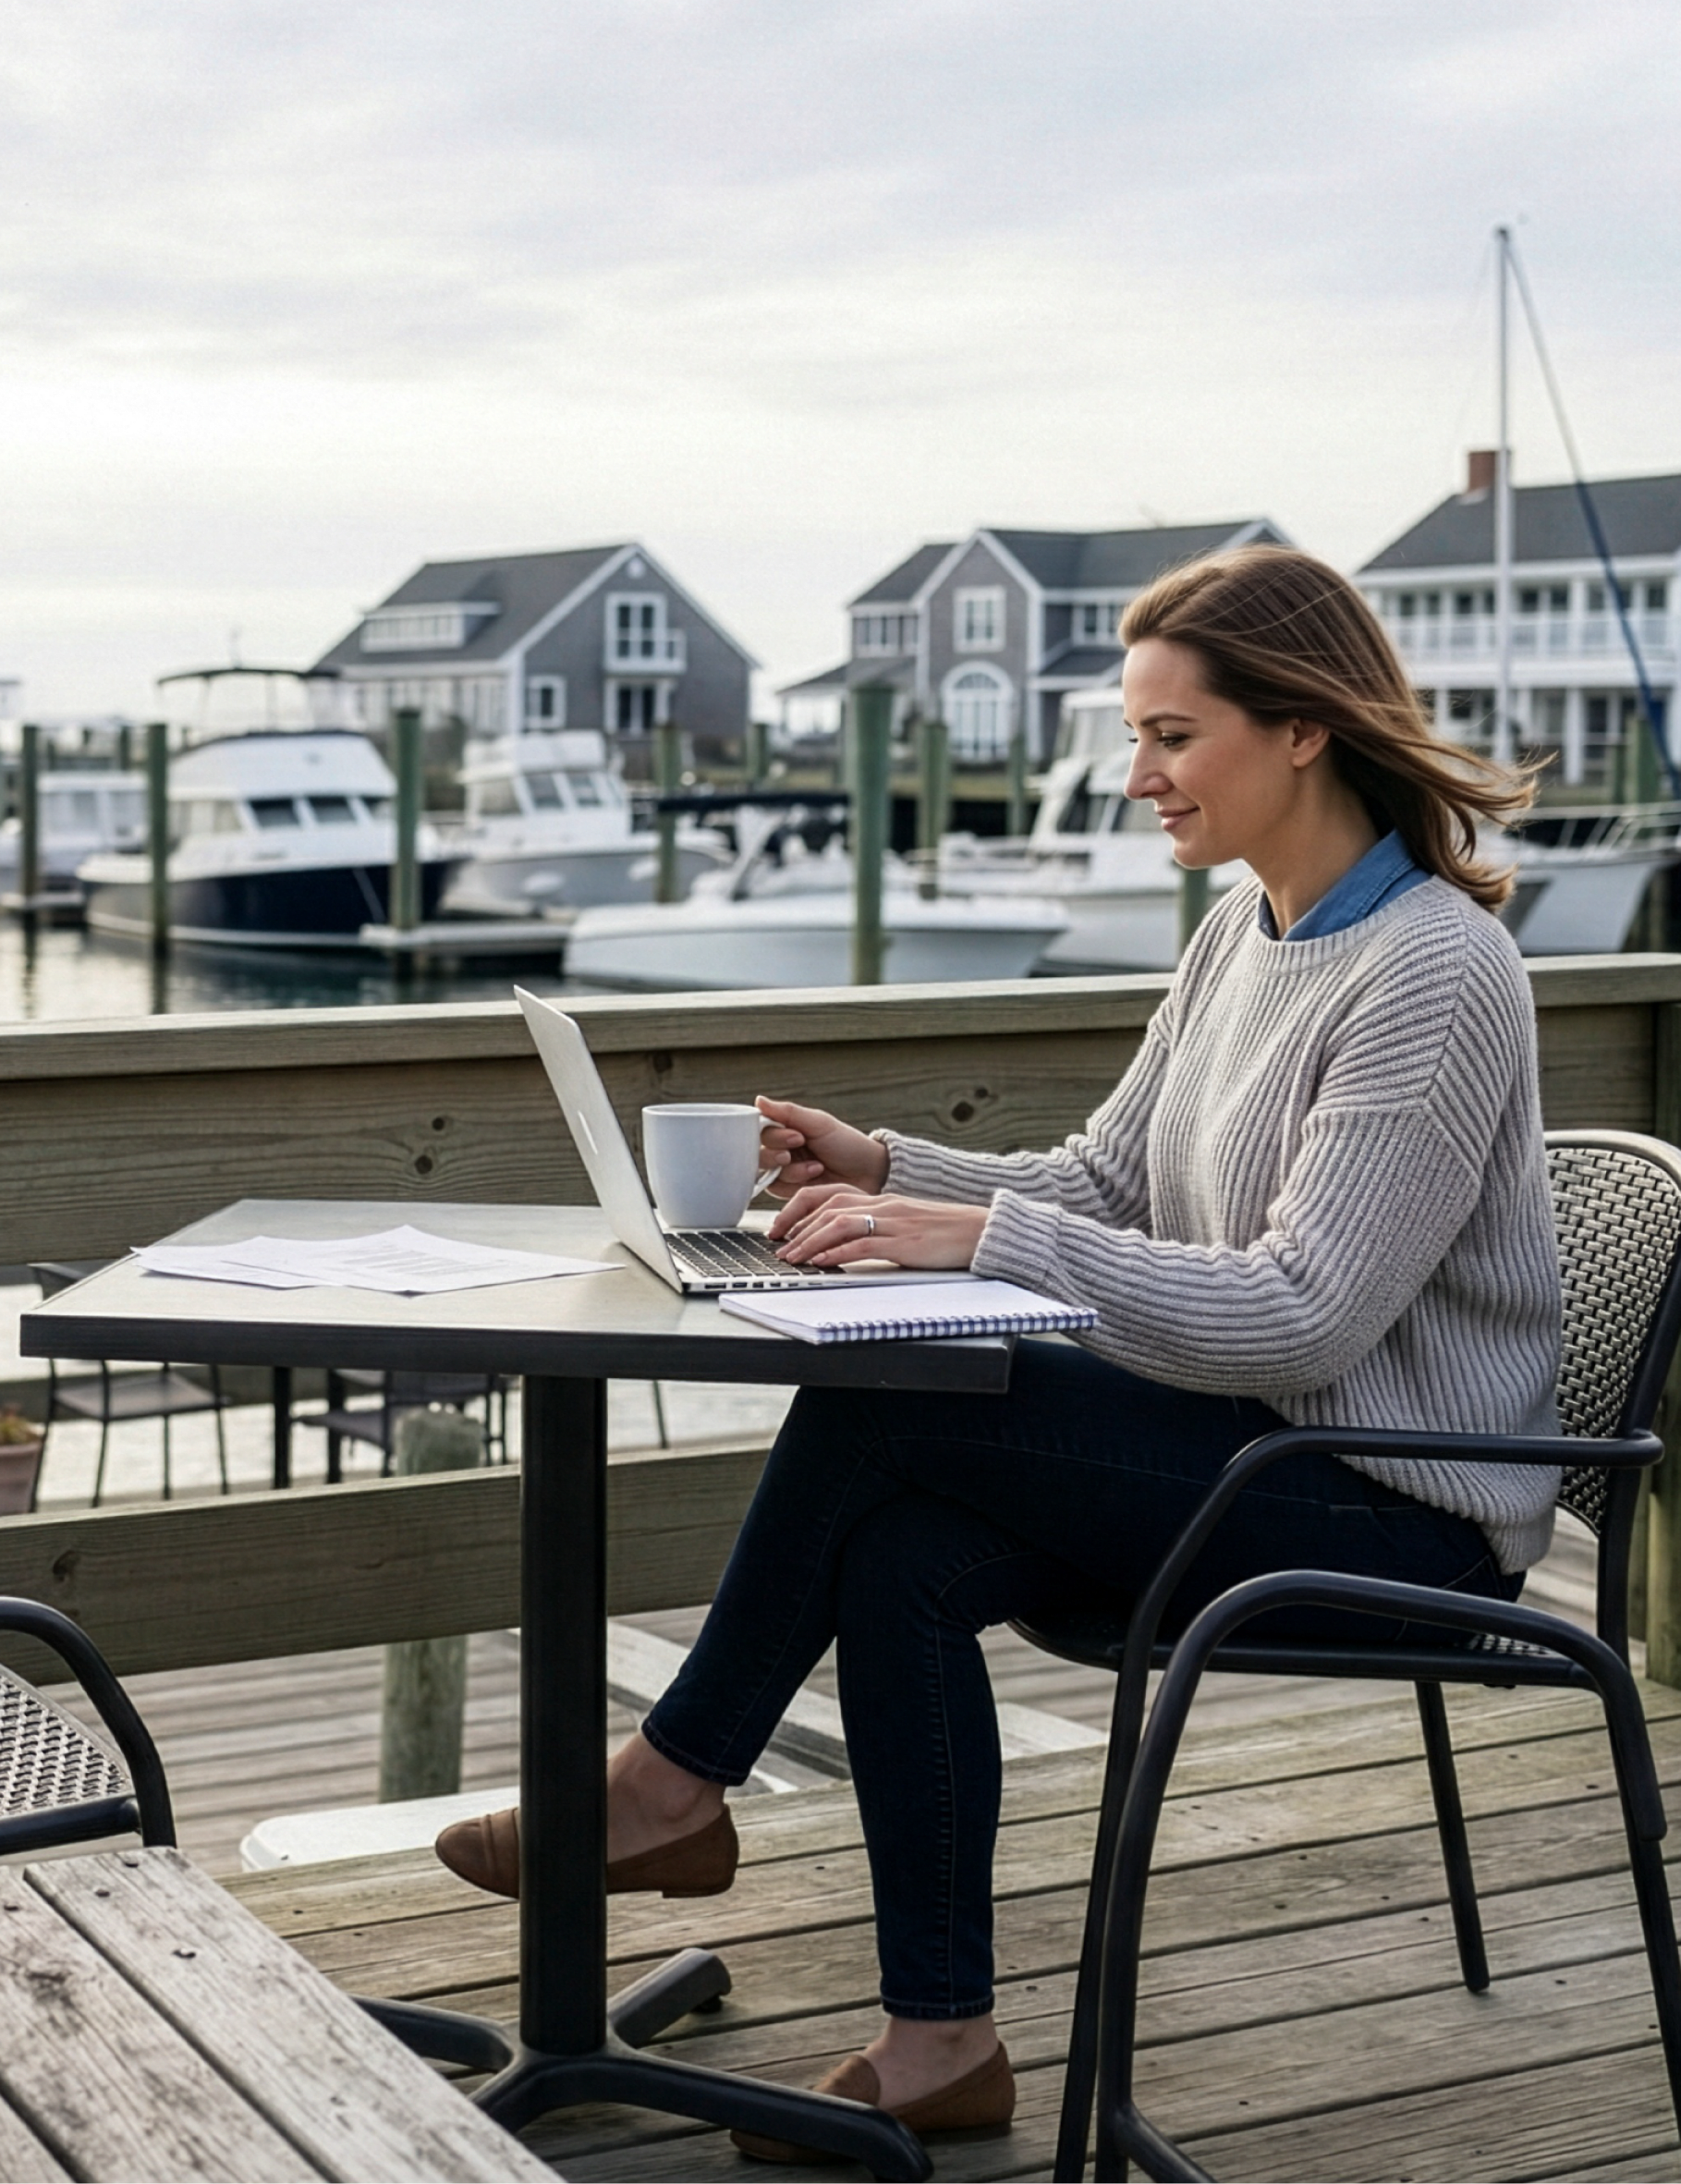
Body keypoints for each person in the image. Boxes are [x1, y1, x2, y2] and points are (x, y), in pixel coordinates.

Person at [432, 544, 1565, 2163]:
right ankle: (941, 2037)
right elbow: (1111, 1183)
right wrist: (892, 1170)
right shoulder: (1246, 934)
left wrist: (976, 1244)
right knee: (899, 1549)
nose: (1139, 775)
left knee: (881, 1398)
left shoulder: (1436, 973)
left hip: (1386, 1499)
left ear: (1302, 727)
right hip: (1247, 1439)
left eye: (1174, 735)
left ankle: (673, 1785)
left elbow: (1305, 1311)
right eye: (1139, 735)